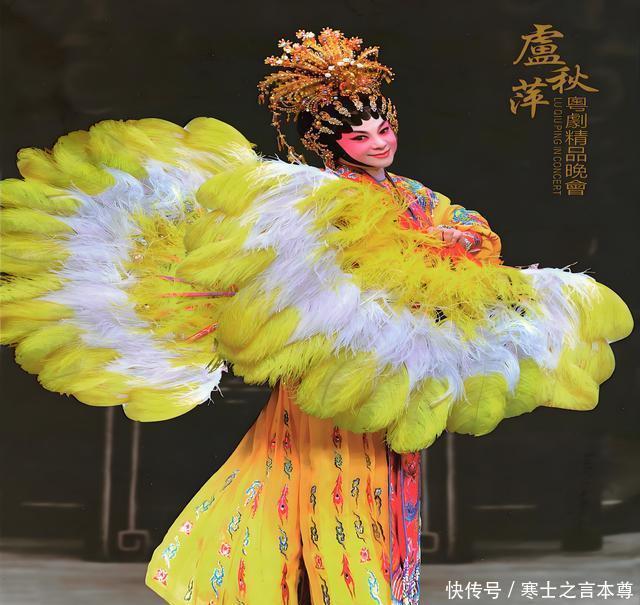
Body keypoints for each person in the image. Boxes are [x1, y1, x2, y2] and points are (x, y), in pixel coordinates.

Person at [0, 27, 632, 605]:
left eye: (383, 128)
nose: (379, 142)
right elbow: (307, 276)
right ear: (330, 144)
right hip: (330, 372)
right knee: (331, 486)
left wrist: (454, 242)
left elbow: (473, 232)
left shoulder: (412, 194)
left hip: (395, 368)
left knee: (378, 483)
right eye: (362, 136)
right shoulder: (315, 201)